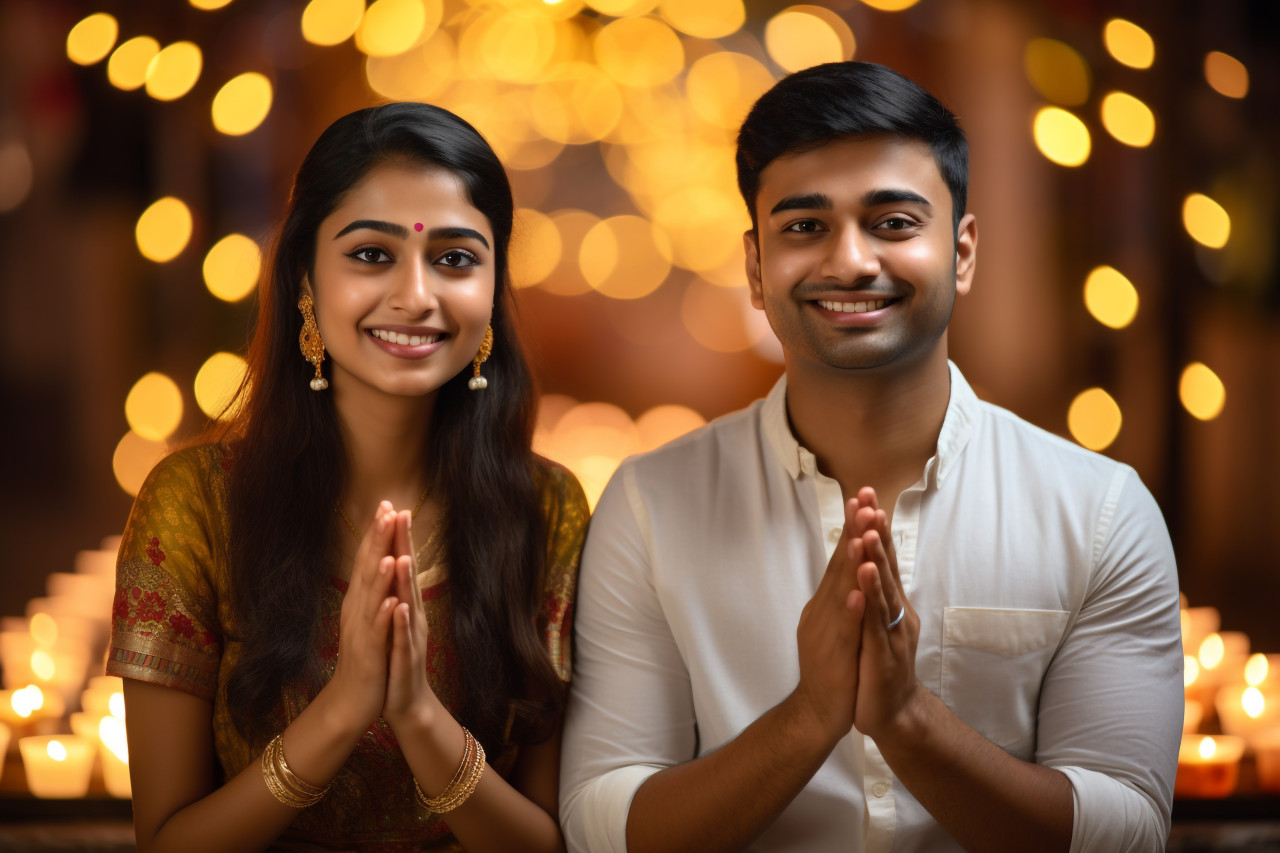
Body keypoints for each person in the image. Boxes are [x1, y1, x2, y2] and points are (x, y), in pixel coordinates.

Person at [559, 61, 1182, 853]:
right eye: (804, 227)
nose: (851, 261)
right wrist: (809, 716)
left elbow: (1128, 831)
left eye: (892, 222)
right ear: (755, 267)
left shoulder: (1097, 511)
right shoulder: (652, 504)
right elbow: (599, 824)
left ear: (962, 252)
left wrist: (908, 721)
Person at [108, 102, 588, 853]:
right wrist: (341, 710)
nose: (416, 296)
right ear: (304, 277)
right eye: (371, 254)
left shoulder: (546, 509)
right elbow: (167, 843)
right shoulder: (194, 505)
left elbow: (552, 844)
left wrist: (421, 720)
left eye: (455, 258)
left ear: (493, 288)